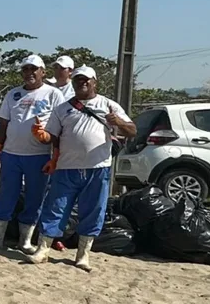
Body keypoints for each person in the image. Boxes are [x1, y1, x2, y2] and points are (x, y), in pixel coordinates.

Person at [28, 66, 136, 271]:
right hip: (66, 167)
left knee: (93, 210)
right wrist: (41, 135)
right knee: (55, 208)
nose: (82, 83)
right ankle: (42, 250)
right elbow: (53, 136)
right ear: (73, 82)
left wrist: (118, 121)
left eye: (86, 80)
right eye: (78, 80)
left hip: (98, 167)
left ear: (94, 82)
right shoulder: (62, 108)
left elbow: (132, 130)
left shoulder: (108, 105)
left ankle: (83, 254)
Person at [0, 55, 65, 252]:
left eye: (33, 69)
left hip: (39, 155)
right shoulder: (13, 94)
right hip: (11, 155)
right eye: (25, 69)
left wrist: (55, 156)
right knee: (6, 195)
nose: (29, 73)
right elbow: (3, 124)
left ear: (42, 72)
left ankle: (25, 241)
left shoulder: (53, 94)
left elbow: (62, 127)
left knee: (34, 198)